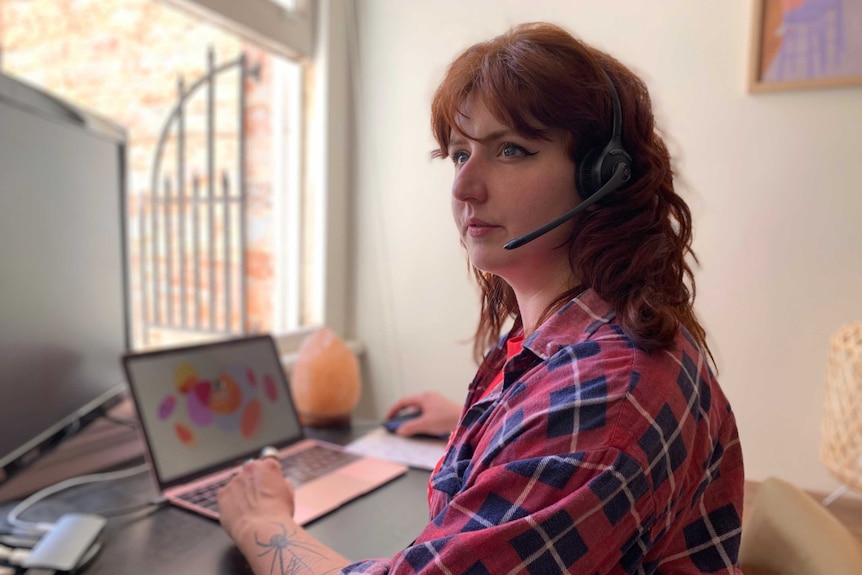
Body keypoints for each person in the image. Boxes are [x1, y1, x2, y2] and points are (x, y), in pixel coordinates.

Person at [218, 22, 745, 574]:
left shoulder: (606, 394)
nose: (464, 187)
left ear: (602, 177)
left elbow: (587, 431)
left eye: (512, 149)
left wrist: (264, 524)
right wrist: (486, 428)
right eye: (459, 153)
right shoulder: (578, 342)